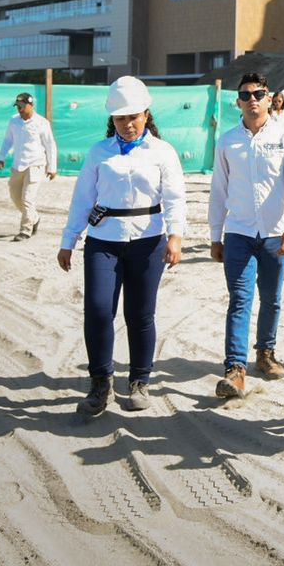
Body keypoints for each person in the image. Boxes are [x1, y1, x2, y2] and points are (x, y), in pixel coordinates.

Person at [59, 76, 185, 416]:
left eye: (133, 117)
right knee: (99, 310)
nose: (127, 124)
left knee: (140, 314)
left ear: (146, 114)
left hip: (147, 242)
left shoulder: (163, 152)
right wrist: (68, 241)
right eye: (119, 118)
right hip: (104, 241)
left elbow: (174, 198)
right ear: (111, 120)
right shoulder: (98, 153)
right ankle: (101, 383)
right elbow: (82, 199)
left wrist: (175, 235)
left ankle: (139, 381)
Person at [208, 71, 284, 400]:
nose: (253, 100)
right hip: (238, 233)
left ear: (269, 97)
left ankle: (265, 353)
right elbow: (218, 191)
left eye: (259, 94)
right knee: (239, 300)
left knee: (272, 299)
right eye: (246, 95)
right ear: (238, 101)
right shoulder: (228, 140)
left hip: (277, 234)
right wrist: (215, 235)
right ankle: (235, 369)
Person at [0, 91, 58, 240]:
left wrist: (52, 167)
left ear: (31, 105)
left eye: (22, 106)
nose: (20, 109)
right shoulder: (14, 121)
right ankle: (34, 218)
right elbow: (7, 141)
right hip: (18, 165)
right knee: (16, 197)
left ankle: (25, 230)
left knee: (27, 199)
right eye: (18, 106)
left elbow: (50, 145)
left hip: (36, 164)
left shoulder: (42, 123)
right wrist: (1, 157)